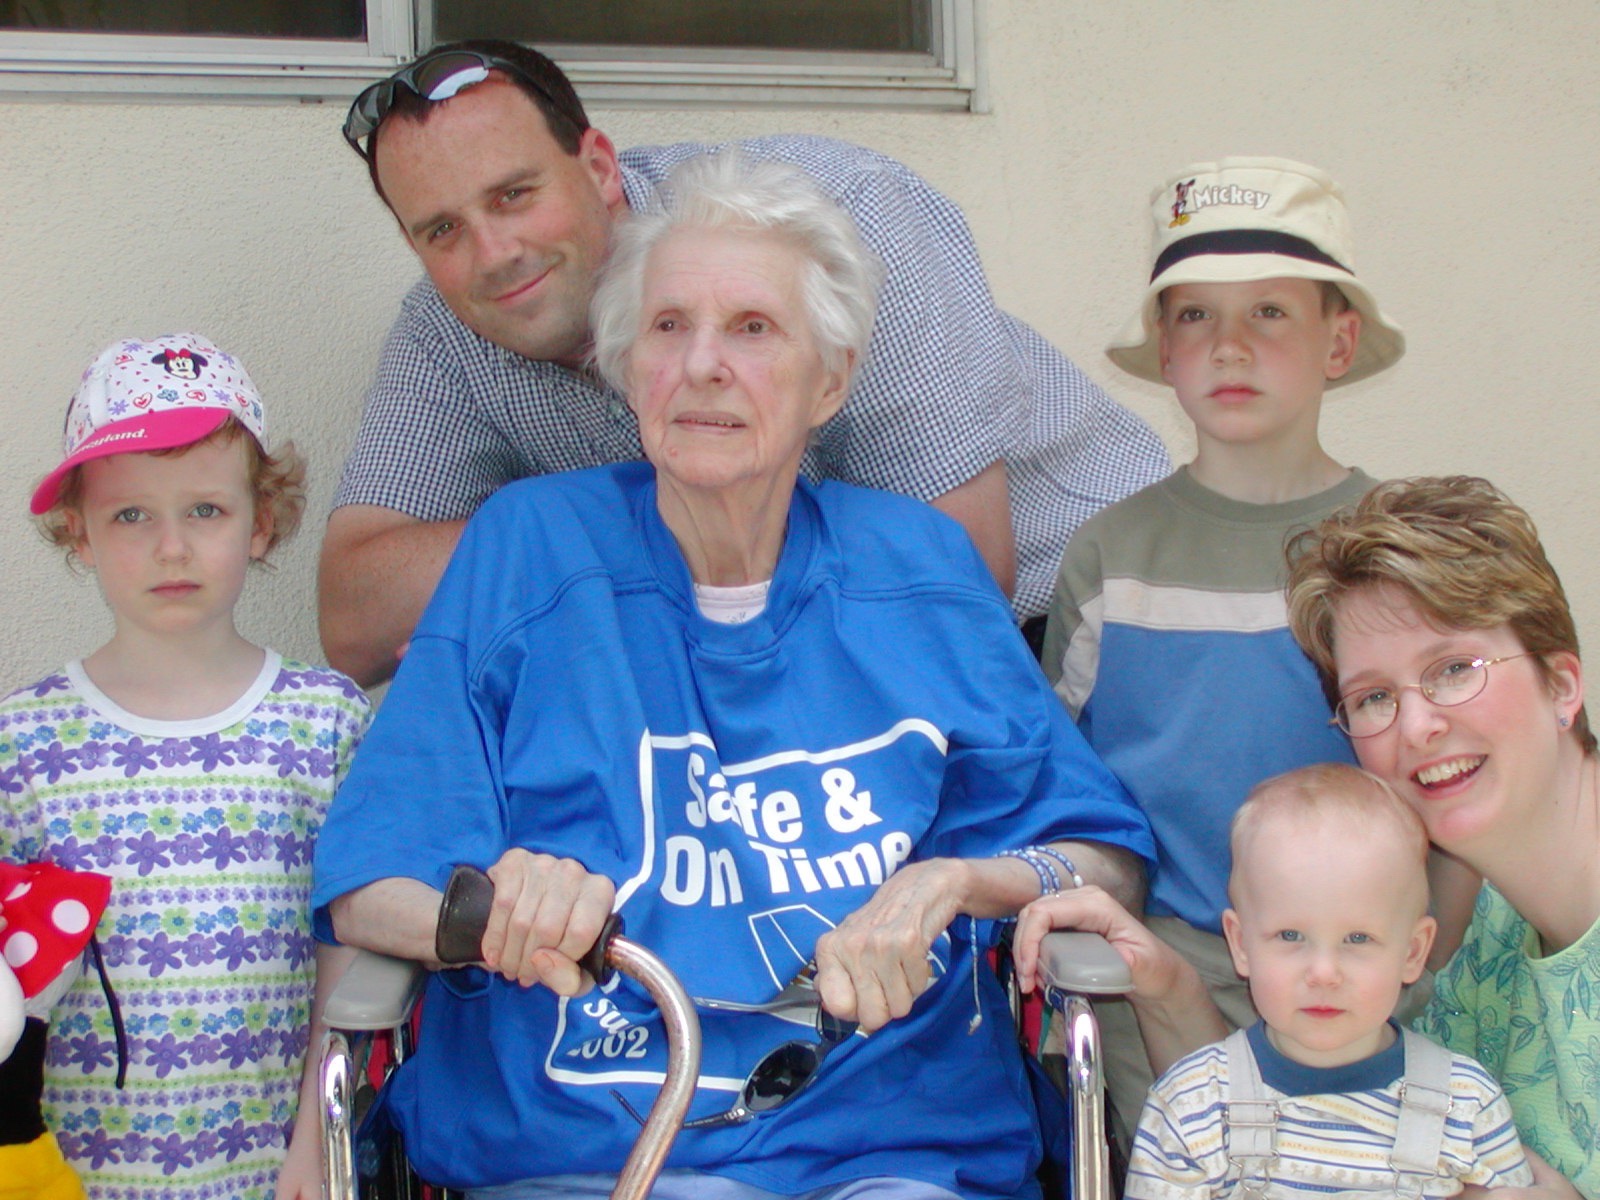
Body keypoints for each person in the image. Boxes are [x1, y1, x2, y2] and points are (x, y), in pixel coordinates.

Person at [310, 151, 1156, 1198]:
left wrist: (956, 883)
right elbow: (368, 884)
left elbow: (1104, 861)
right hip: (586, 1153)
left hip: (889, 1150)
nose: (703, 364)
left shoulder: (917, 570)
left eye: (753, 328)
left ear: (830, 380)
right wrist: (487, 915)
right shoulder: (527, 551)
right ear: (630, 367)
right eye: (669, 327)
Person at [318, 38, 1171, 686]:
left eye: (514, 194)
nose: (494, 253)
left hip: (1093, 625)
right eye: (442, 230)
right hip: (769, 677)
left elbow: (958, 574)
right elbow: (355, 618)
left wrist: (558, 569)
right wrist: (626, 529)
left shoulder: (830, 218)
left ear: (600, 168)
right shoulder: (445, 328)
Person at [1014, 476, 1594, 1199]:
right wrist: (1165, 983)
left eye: (1454, 670)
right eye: (1374, 696)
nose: (1417, 726)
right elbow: (1306, 1132)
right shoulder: (1474, 938)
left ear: (1561, 684)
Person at [1037, 156, 1407, 1137]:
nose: (1229, 346)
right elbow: (1059, 782)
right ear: (1165, 349)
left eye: (1270, 312)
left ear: (1339, 341)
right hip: (1159, 977)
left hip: (1363, 974)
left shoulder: (1393, 547)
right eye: (1196, 315)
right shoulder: (1112, 556)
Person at [0, 335, 371, 1200]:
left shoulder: (324, 723)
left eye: (205, 509)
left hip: (275, 1171)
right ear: (78, 533)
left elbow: (349, 950)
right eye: (131, 516)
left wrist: (317, 1140)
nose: (172, 547)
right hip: (70, 1176)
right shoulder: (22, 743)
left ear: (260, 522)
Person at [1124, 763, 1532, 1198]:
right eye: (1290, 936)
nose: (1323, 973)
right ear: (1241, 944)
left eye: (1358, 938)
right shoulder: (1191, 1106)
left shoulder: (1467, 1106)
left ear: (1413, 952)